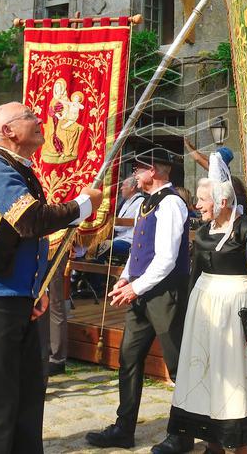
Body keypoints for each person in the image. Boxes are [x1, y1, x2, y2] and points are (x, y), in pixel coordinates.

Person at [0, 102, 101, 454]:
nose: (39, 120)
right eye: (30, 116)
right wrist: (83, 205)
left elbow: (23, 238)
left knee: (29, 397)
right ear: (7, 131)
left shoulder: (17, 167)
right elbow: (31, 220)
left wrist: (35, 288)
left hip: (16, 296)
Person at [167, 154, 247, 451]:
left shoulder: (246, 230)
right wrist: (187, 312)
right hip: (205, 312)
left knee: (234, 373)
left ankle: (239, 444)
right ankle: (212, 443)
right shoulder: (205, 231)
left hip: (234, 311)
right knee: (207, 374)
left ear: (223, 201)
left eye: (203, 200)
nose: (197, 205)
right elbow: (195, 274)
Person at [87, 147, 192, 454]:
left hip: (165, 295)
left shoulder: (172, 203)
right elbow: (138, 248)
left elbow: (167, 258)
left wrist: (136, 287)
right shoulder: (148, 201)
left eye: (139, 167)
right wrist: (125, 277)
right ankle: (124, 428)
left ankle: (183, 435)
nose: (134, 172)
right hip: (142, 293)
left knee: (177, 365)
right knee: (129, 358)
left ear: (154, 170)